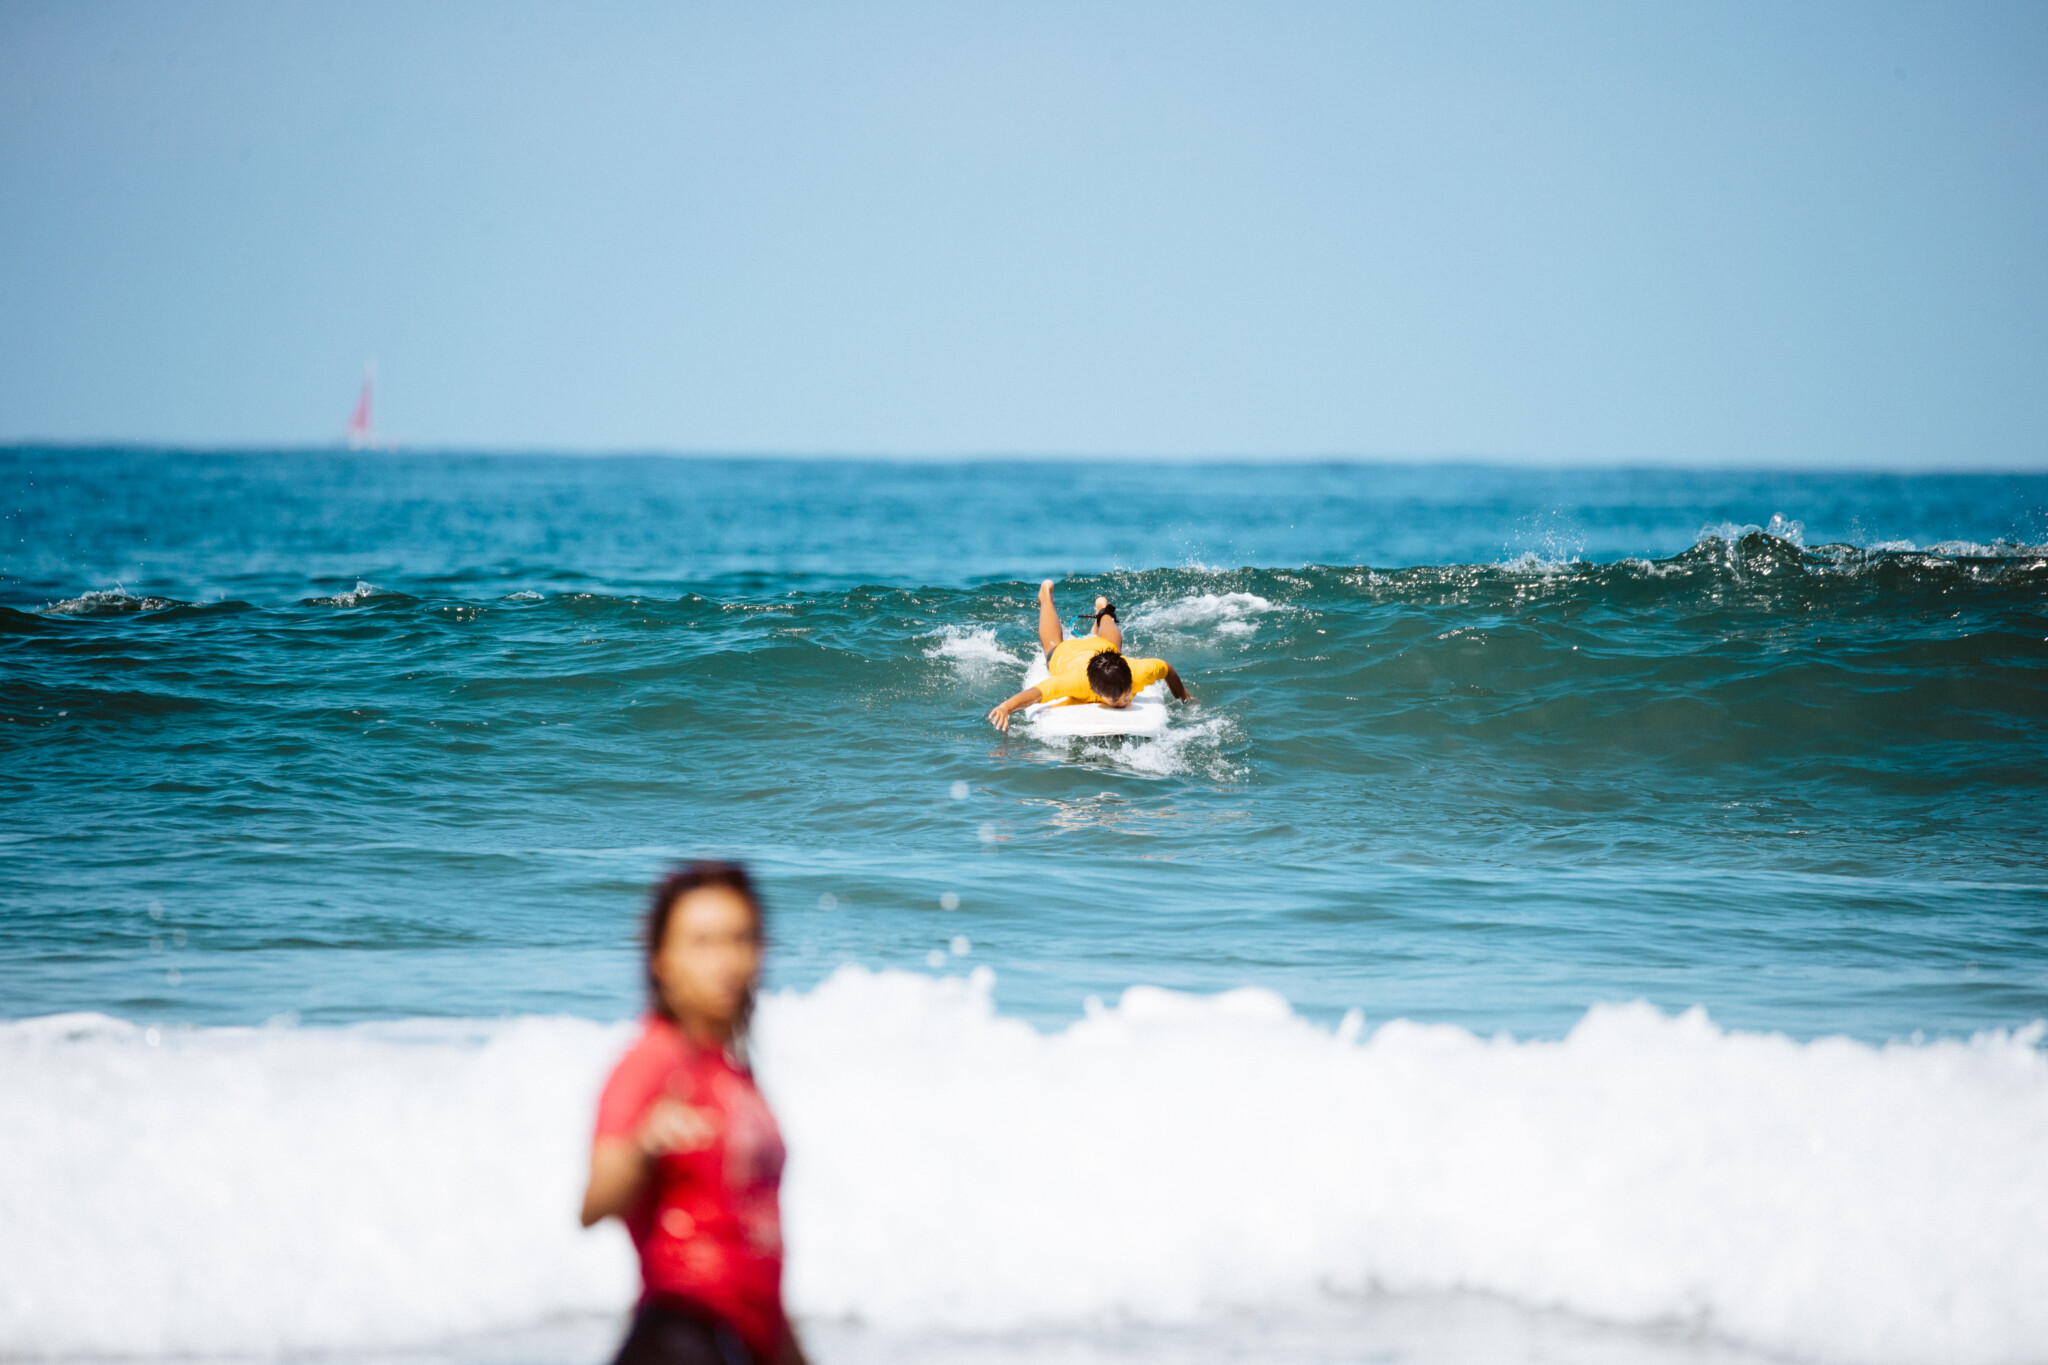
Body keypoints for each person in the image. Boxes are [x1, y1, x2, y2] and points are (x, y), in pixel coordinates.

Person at [582, 862, 806, 1365]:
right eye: (702, 943)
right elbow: (595, 1203)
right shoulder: (652, 1059)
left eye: (741, 938)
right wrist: (643, 1144)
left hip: (741, 1341)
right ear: (662, 959)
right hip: (680, 1335)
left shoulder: (735, 1077)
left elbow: (755, 1259)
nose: (726, 961)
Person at [986, 579, 1192, 731]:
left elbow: (1166, 669)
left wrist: (1184, 698)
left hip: (1103, 648)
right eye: (1116, 701)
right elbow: (1034, 694)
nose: (1123, 703)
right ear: (1093, 689)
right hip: (1065, 654)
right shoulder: (1075, 681)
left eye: (1127, 695)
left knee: (1112, 641)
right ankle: (1045, 596)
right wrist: (1006, 708)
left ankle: (1103, 611)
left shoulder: (1136, 671)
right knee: (1051, 645)